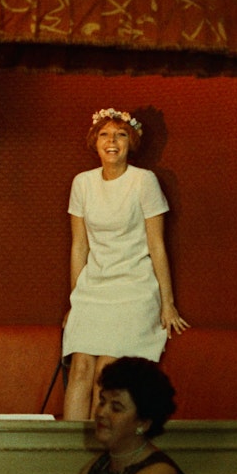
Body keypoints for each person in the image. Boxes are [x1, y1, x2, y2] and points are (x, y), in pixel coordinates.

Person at [62, 108, 190, 420]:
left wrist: (167, 304)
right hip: (94, 290)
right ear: (95, 142)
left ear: (130, 142)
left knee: (106, 372)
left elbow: (157, 245)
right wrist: (75, 300)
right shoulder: (82, 183)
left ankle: (99, 446)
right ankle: (67, 446)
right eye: (105, 135)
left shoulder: (144, 181)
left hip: (133, 288)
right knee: (80, 368)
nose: (112, 141)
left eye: (120, 135)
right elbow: (79, 246)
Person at [0, 357, 198, 474]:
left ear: (144, 423)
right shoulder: (100, 465)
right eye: (102, 401)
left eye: (116, 407)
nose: (101, 412)